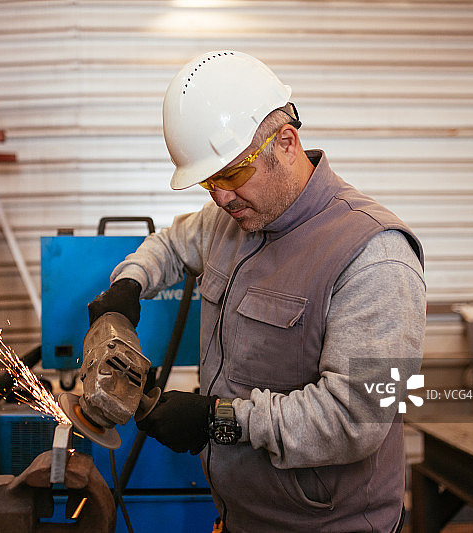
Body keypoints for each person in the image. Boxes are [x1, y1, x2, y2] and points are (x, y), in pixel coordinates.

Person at [88, 50, 426, 533]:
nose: (220, 197)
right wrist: (131, 281)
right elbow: (171, 244)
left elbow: (359, 419)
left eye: (231, 174)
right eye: (209, 181)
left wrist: (220, 420)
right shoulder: (232, 218)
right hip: (239, 515)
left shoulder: (376, 256)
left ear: (286, 142)